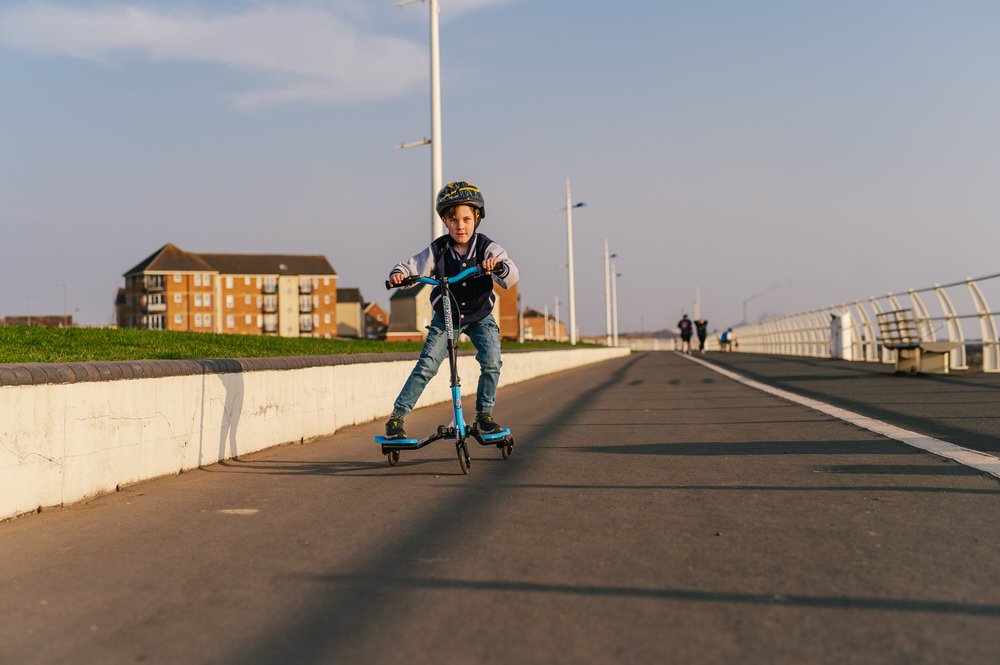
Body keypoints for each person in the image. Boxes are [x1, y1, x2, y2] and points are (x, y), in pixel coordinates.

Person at [384, 181, 519, 440]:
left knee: (492, 361)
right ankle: (397, 418)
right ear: (445, 220)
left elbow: (511, 274)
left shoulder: (486, 247)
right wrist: (400, 275)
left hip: (480, 316)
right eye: (454, 220)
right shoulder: (438, 250)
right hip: (447, 316)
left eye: (467, 219)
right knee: (427, 366)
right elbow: (412, 266)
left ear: (477, 218)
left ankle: (484, 416)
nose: (461, 226)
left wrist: (498, 266)